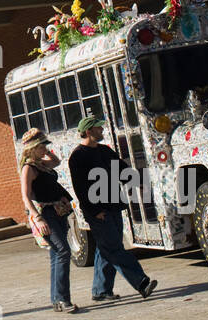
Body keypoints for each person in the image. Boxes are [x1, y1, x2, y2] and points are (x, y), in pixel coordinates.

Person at [67, 115, 158, 303]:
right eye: (98, 128)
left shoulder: (105, 151)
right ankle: (141, 282)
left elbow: (121, 170)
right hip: (98, 211)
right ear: (89, 131)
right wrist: (94, 211)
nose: (102, 131)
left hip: (114, 206)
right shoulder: (78, 156)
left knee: (105, 248)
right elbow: (80, 189)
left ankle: (101, 290)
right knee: (115, 248)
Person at [19, 128, 81, 314]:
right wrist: (37, 218)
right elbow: (25, 195)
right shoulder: (29, 168)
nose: (45, 149)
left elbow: (56, 161)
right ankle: (63, 298)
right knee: (63, 251)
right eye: (41, 146)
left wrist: (46, 150)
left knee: (56, 254)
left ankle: (57, 300)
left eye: (45, 145)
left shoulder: (42, 164)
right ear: (33, 148)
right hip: (45, 213)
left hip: (58, 211)